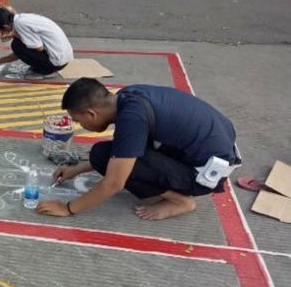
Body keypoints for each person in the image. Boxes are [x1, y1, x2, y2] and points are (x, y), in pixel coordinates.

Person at [37, 78, 240, 220]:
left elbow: (114, 183)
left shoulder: (132, 118)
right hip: (211, 153)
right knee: (105, 154)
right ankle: (175, 186)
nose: (80, 126)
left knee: (106, 159)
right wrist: (76, 169)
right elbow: (122, 149)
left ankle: (180, 201)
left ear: (92, 114)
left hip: (203, 176)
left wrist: (68, 209)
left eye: (79, 121)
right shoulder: (127, 96)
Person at [0, 8, 73, 79]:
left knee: (16, 45)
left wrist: (15, 35)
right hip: (63, 56)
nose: (1, 35)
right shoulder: (20, 18)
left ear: (5, 27)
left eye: (1, 32)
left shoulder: (20, 24)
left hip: (56, 62)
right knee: (19, 44)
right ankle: (43, 67)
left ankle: (45, 71)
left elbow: (38, 48)